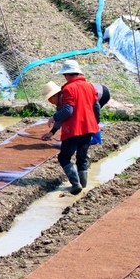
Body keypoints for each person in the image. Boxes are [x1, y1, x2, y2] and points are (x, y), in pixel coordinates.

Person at [41, 60, 100, 194]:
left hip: (74, 129)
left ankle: (75, 184)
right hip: (88, 128)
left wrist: (53, 117)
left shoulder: (68, 89)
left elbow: (68, 110)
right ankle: (83, 186)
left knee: (64, 157)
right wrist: (95, 123)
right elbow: (96, 107)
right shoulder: (89, 86)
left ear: (67, 74)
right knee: (82, 157)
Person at [43, 76, 110, 145]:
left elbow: (67, 112)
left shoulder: (67, 94)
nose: (50, 101)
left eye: (50, 99)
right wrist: (52, 132)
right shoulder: (60, 101)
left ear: (55, 95)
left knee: (89, 117)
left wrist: (95, 120)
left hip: (101, 93)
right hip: (93, 90)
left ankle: (96, 139)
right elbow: (61, 116)